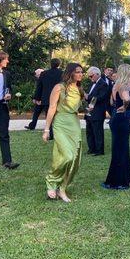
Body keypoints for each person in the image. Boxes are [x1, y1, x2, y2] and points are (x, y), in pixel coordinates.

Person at [43, 63, 84, 202]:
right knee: (67, 156)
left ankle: (62, 188)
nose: (80, 74)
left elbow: (75, 108)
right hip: (60, 123)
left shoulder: (79, 88)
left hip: (74, 124)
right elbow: (52, 108)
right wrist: (46, 129)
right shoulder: (59, 87)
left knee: (75, 159)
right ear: (70, 73)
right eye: (77, 72)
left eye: (81, 72)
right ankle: (51, 180)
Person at [102, 64, 130, 190]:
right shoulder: (124, 86)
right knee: (121, 149)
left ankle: (121, 179)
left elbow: (112, 102)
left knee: (120, 149)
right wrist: (126, 106)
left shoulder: (118, 85)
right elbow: (128, 99)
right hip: (121, 118)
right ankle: (120, 180)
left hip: (119, 118)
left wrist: (124, 106)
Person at [25, 59, 62, 136]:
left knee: (48, 115)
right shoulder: (62, 73)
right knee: (58, 115)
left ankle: (50, 133)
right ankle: (57, 132)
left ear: (50, 64)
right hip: (59, 97)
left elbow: (39, 87)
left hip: (46, 98)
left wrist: (37, 98)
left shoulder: (44, 74)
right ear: (59, 64)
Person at [85, 66, 110, 156]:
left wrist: (89, 97)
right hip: (90, 110)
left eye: (91, 76)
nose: (90, 78)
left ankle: (99, 150)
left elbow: (101, 97)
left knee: (97, 131)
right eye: (89, 76)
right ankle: (91, 148)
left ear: (97, 74)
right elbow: (91, 96)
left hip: (98, 111)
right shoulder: (92, 84)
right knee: (89, 131)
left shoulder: (103, 84)